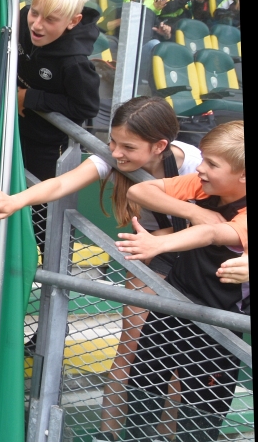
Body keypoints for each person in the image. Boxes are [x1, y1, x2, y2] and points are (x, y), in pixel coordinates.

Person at [0, 96, 203, 442]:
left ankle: (166, 436)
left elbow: (216, 223)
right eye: (113, 141)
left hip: (191, 254)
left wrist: (169, 235)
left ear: (160, 146)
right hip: (149, 254)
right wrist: (17, 200)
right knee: (131, 346)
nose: (116, 152)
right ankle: (111, 434)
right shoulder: (112, 156)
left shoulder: (193, 163)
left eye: (128, 147)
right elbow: (61, 184)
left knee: (176, 355)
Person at [119, 121, 248, 441]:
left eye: (212, 164)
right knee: (142, 393)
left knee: (200, 416)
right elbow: (140, 190)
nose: (200, 168)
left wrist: (159, 243)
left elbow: (213, 233)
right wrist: (191, 211)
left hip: (219, 323)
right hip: (172, 305)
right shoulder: (205, 185)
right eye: (202, 158)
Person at [14, 0, 100, 185]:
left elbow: (86, 108)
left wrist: (29, 97)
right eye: (35, 12)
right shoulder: (23, 19)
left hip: (46, 147)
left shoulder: (76, 63)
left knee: (37, 209)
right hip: (12, 129)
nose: (36, 24)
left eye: (50, 19)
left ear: (73, 21)